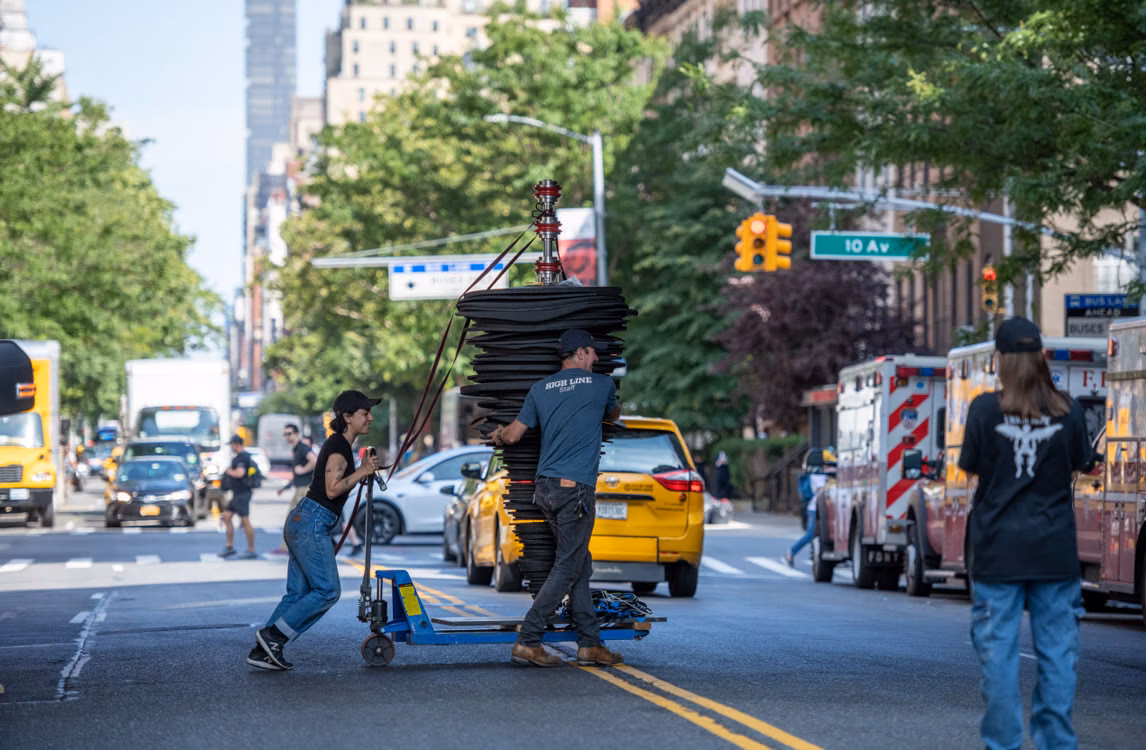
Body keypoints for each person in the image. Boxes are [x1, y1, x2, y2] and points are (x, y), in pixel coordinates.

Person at [958, 317, 1092, 750]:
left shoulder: (982, 410)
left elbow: (971, 465)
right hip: (1054, 552)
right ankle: (1056, 742)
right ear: (1041, 358)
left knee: (999, 655)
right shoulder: (1068, 410)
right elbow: (1080, 462)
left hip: (999, 552)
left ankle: (1003, 744)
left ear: (1000, 360)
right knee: (1058, 657)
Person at [491, 329, 623, 668]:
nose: (597, 359)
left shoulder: (540, 389)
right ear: (579, 353)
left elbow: (513, 434)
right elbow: (613, 416)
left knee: (579, 564)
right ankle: (528, 639)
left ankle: (590, 645)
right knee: (567, 567)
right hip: (575, 490)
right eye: (593, 353)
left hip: (546, 489)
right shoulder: (602, 385)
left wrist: (498, 435)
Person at [248, 390, 380, 671]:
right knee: (328, 590)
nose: (370, 417)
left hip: (303, 520)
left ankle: (263, 651)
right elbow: (332, 490)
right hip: (311, 522)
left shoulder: (339, 445)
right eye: (364, 413)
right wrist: (362, 471)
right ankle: (273, 636)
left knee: (297, 595)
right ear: (347, 417)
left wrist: (362, 470)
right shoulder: (339, 447)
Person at [272, 424, 320, 555]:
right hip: (301, 487)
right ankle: (296, 547)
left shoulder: (301, 448)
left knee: (293, 517)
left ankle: (286, 547)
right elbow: (297, 473)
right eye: (285, 434)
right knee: (300, 519)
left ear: (296, 434)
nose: (287, 436)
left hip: (304, 489)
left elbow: (314, 461)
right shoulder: (297, 449)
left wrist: (303, 470)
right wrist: (285, 487)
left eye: (290, 433)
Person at [784, 450, 833, 567]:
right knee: (811, 534)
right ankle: (791, 552)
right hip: (816, 508)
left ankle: (812, 555)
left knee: (819, 533)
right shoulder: (819, 477)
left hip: (817, 507)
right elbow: (822, 491)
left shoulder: (814, 476)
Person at [221, 435, 257, 560]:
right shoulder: (240, 457)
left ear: (236, 444)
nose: (231, 447)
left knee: (245, 521)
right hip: (236, 494)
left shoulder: (242, 457)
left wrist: (228, 471)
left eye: (232, 444)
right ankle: (229, 546)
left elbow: (240, 473)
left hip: (242, 494)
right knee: (226, 516)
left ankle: (251, 550)